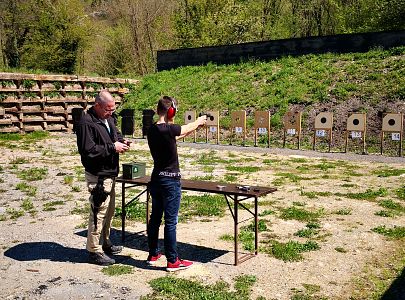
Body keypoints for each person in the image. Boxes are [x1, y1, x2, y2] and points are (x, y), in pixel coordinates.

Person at [146, 96, 207, 272]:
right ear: (171, 111)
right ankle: (172, 261)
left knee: (155, 219)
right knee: (170, 222)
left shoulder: (153, 130)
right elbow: (183, 128)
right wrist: (199, 121)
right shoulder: (169, 128)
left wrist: (193, 129)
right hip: (170, 181)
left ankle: (153, 253)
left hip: (156, 180)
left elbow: (176, 136)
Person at [76, 90, 131, 266]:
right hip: (98, 175)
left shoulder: (109, 118)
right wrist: (112, 148)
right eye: (108, 109)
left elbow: (116, 135)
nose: (111, 112)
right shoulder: (86, 122)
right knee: (98, 212)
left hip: (110, 173)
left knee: (109, 211)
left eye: (113, 109)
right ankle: (94, 251)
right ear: (97, 105)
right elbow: (88, 151)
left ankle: (104, 243)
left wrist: (122, 142)